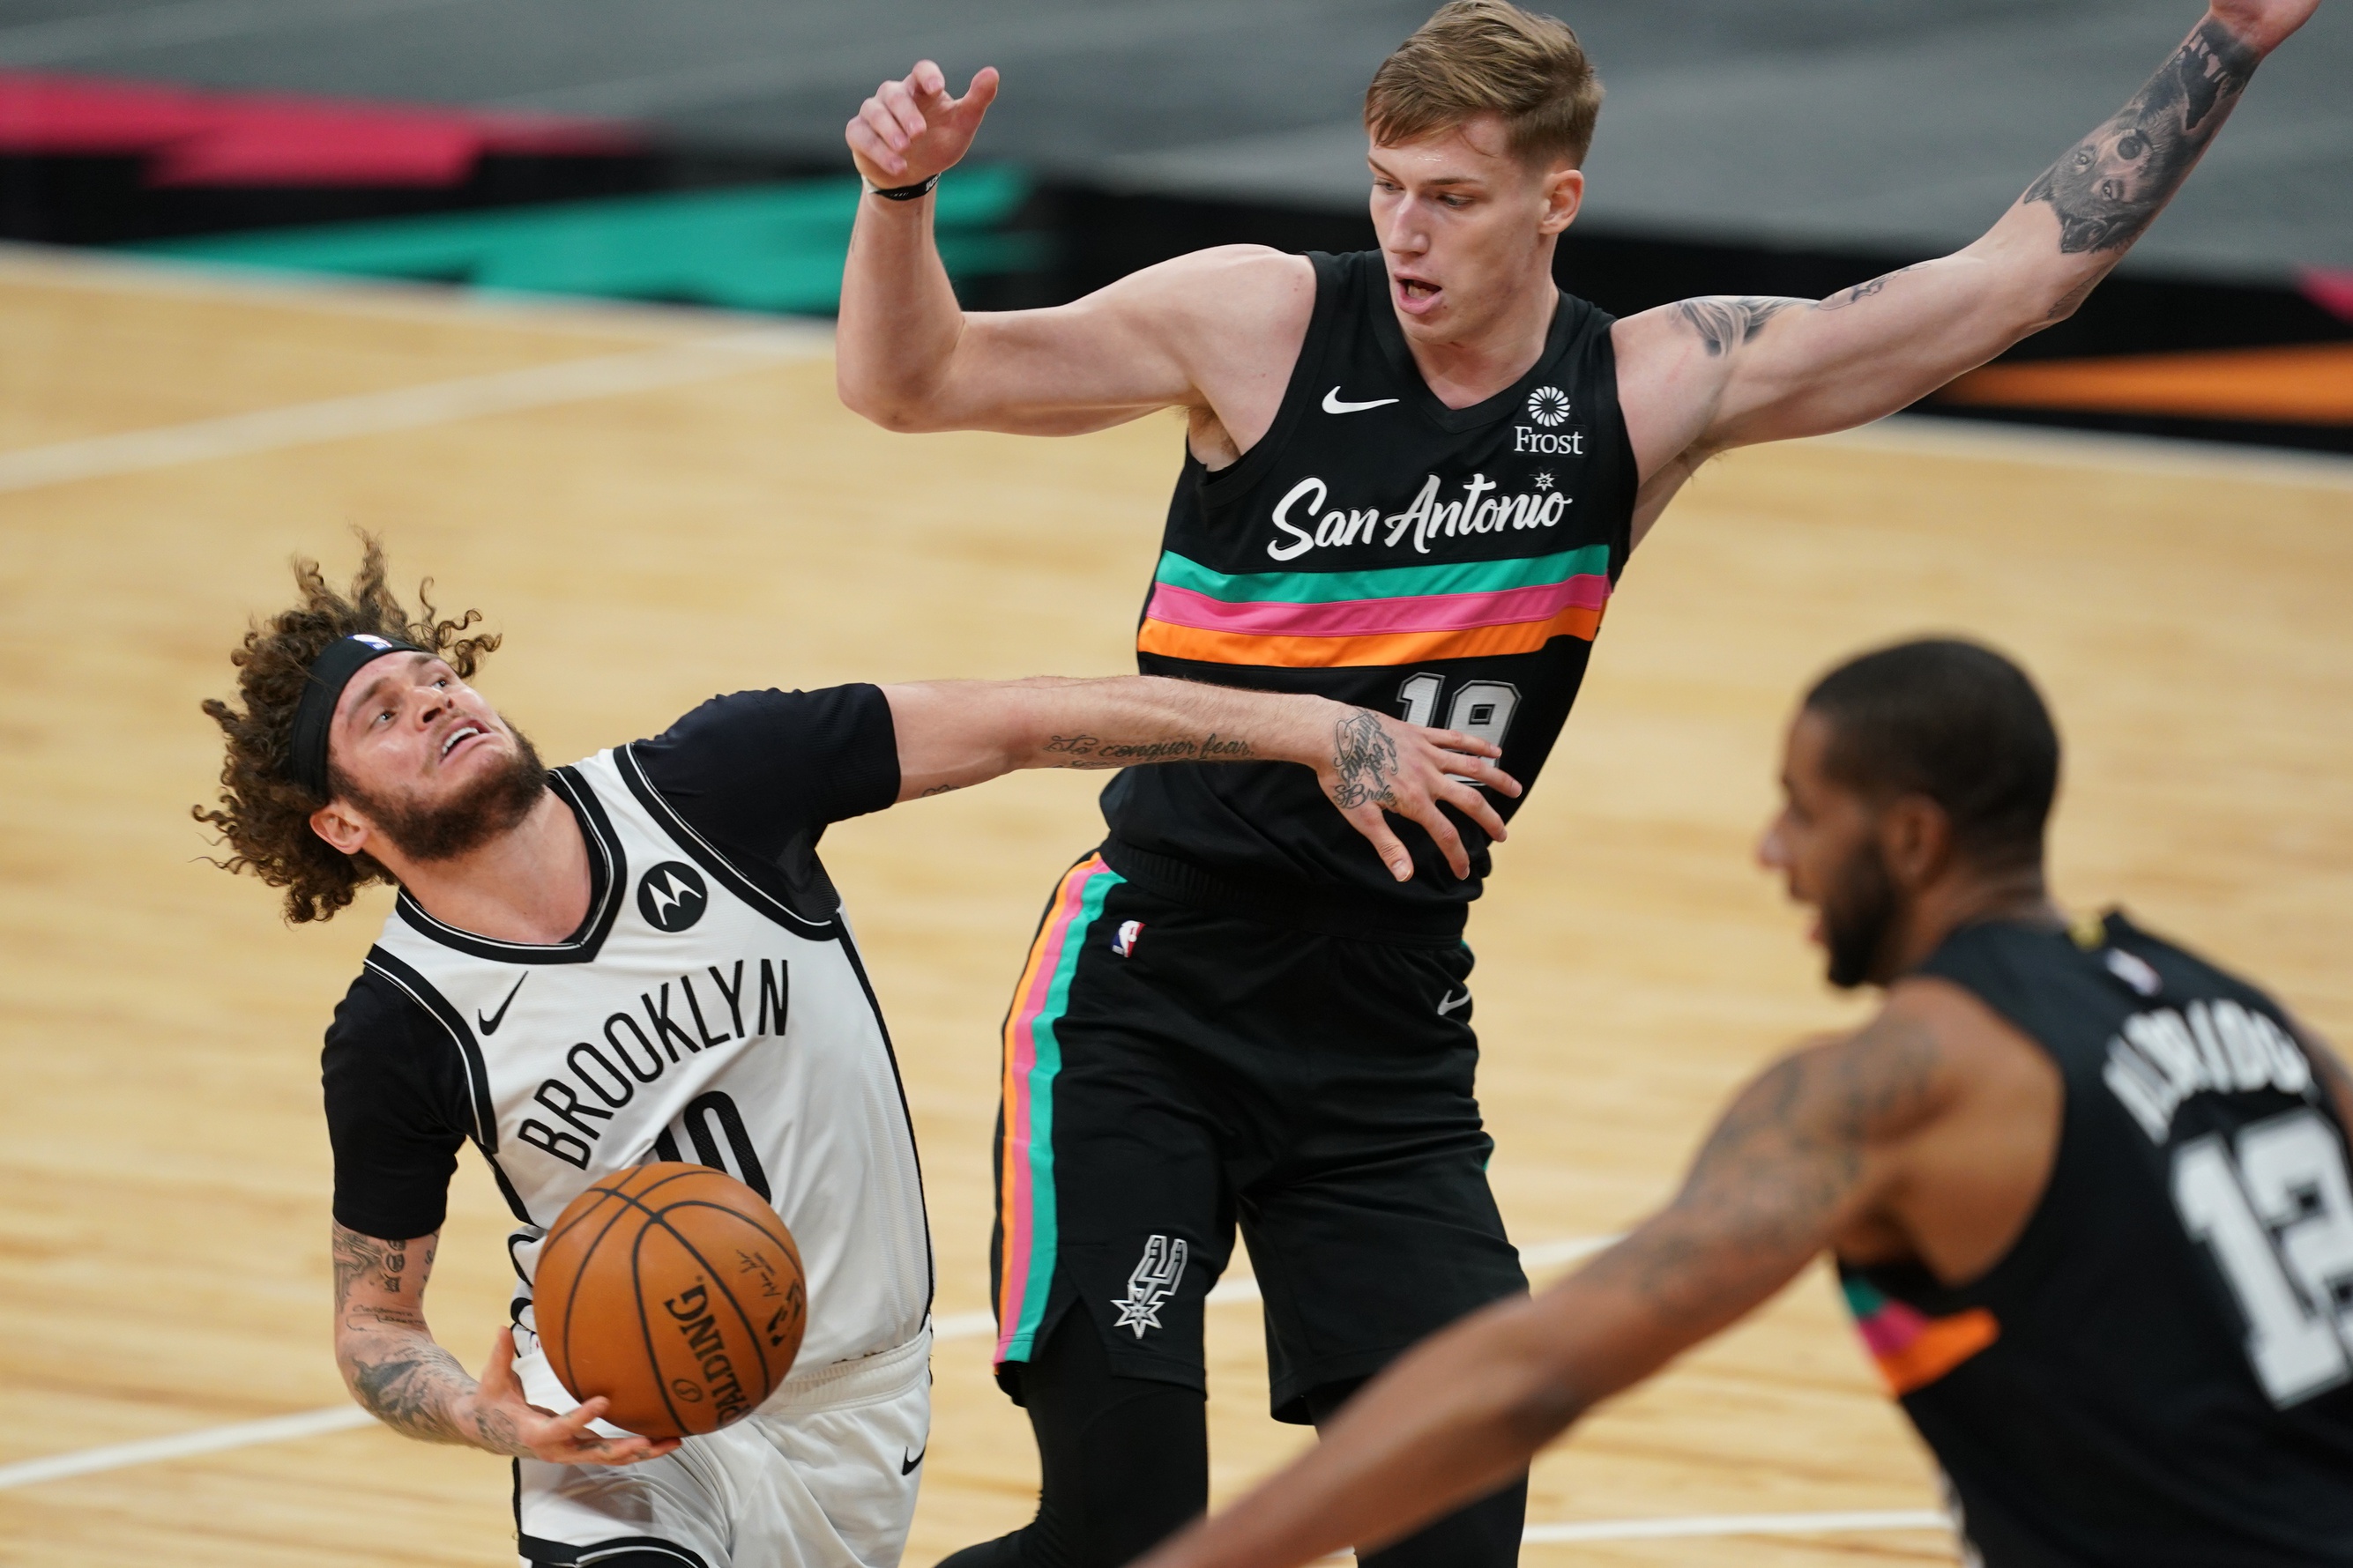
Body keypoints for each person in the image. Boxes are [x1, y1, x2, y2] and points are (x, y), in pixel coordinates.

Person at [834, 2, 2322, 1563]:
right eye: (1385, 186)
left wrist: (2225, 40)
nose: (1404, 232)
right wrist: (899, 196)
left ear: (1556, 200)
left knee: (1458, 1532)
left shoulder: (1648, 386)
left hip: (1386, 1037)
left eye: (1452, 198)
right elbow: (912, 382)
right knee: (1119, 1530)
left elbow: (2017, 281)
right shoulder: (1253, 320)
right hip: (1153, 995)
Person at [190, 539, 1514, 1568]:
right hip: (624, 1417)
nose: (435, 704)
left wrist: (1309, 728)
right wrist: (487, 1416)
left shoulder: (714, 783)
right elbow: (375, 1324)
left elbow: (1021, 721)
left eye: (435, 677)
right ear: (341, 826)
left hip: (853, 1397)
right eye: (384, 715)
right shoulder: (399, 1027)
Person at [1129, 636, 2353, 1568]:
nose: (1774, 851)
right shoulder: (2249, 1016)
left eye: (1804, 812)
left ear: (1913, 840)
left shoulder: (1895, 1085)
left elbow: (1530, 1378)